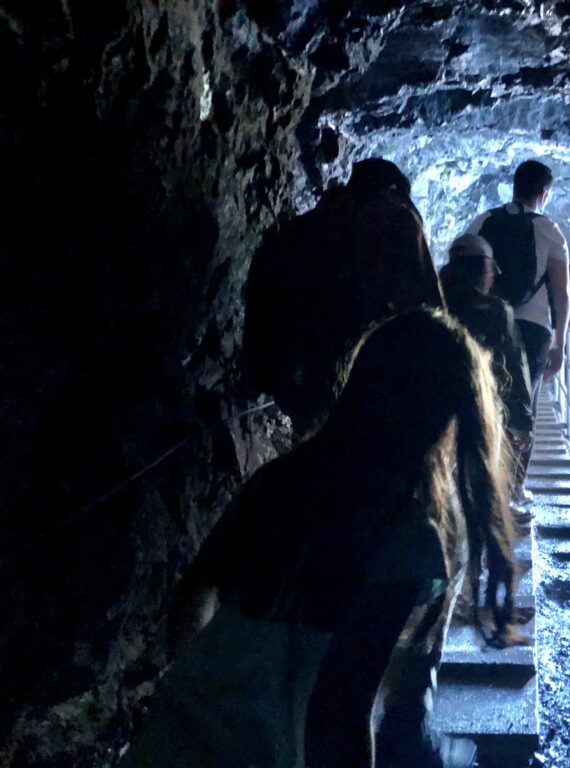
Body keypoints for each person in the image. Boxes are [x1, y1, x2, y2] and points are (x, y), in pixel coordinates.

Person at [125, 309, 517, 768]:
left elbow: (192, 596)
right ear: (445, 417)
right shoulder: (405, 540)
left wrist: (217, 684)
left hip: (173, 739)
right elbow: (341, 715)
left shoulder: (280, 481)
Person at [243, 158, 443, 437]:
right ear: (392, 189)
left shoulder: (306, 226)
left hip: (294, 376)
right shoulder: (393, 220)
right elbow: (427, 309)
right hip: (353, 376)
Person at [465, 160, 570, 506]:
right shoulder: (550, 231)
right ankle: (513, 491)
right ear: (544, 193)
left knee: (486, 398)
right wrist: (560, 341)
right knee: (525, 406)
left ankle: (479, 482)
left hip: (488, 323)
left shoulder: (483, 222)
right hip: (533, 330)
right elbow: (561, 294)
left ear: (514, 186)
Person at [440, 233, 533, 516]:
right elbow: (516, 366)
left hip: (441, 403)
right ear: (484, 269)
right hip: (486, 403)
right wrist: (523, 417)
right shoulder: (498, 311)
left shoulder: (436, 304)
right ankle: (498, 510)